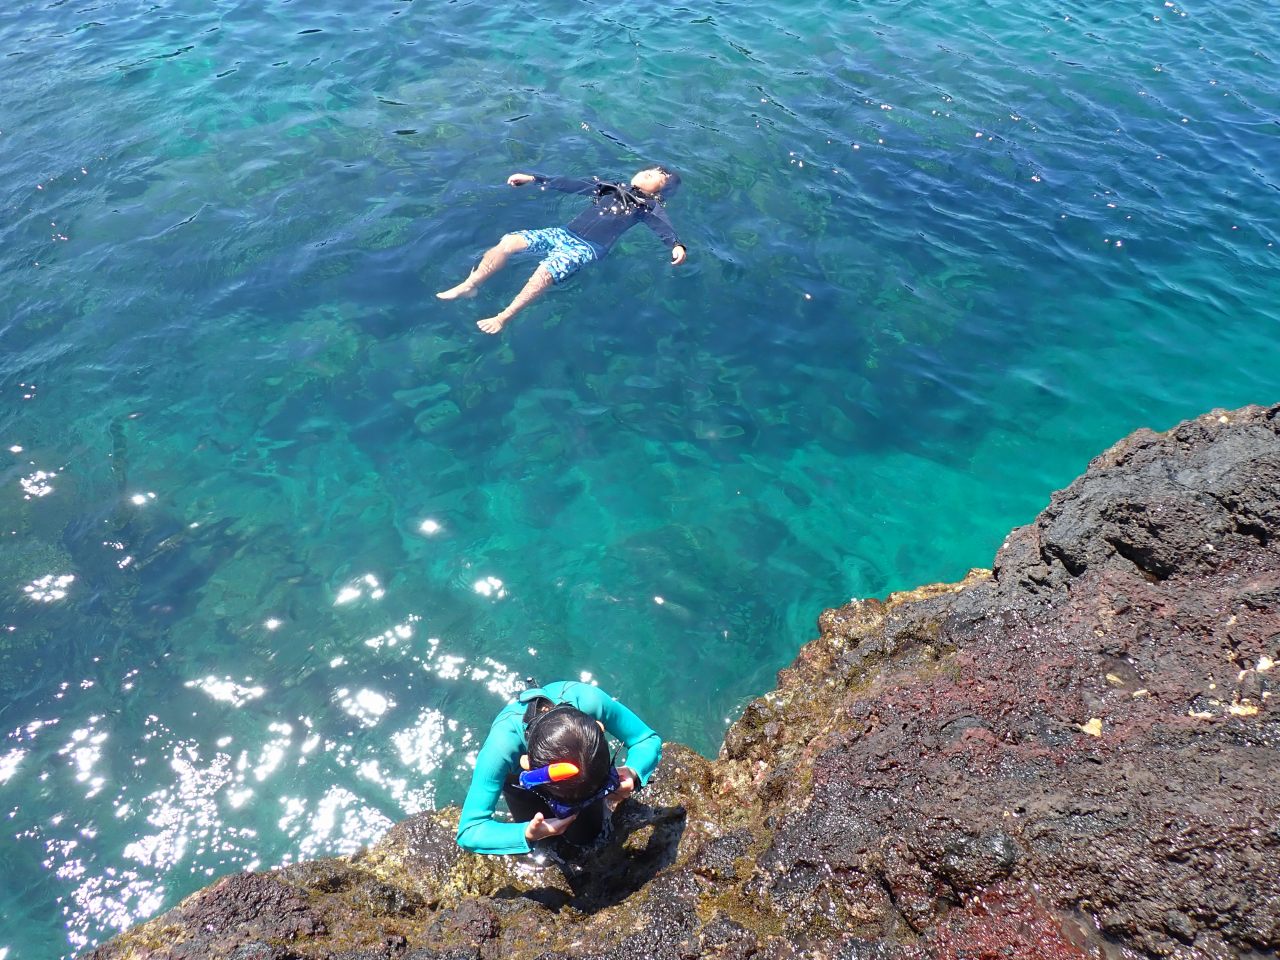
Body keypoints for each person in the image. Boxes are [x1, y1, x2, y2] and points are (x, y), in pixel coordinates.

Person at [437, 167, 687, 334]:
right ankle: (470, 284)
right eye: (651, 169)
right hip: (564, 233)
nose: (652, 172)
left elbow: (662, 225)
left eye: (660, 176)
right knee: (509, 241)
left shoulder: (648, 207)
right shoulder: (609, 186)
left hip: (588, 247)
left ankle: (504, 316)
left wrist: (676, 245)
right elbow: (571, 184)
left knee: (546, 270)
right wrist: (534, 179)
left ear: (661, 192)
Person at [455, 679, 663, 857]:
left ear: (599, 727)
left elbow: (646, 740)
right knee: (541, 847)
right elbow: (470, 830)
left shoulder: (590, 701)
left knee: (587, 836)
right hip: (520, 783)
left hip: (570, 775)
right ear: (527, 764)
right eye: (568, 805)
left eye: (603, 788)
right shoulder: (501, 748)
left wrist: (633, 772)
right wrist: (528, 833)